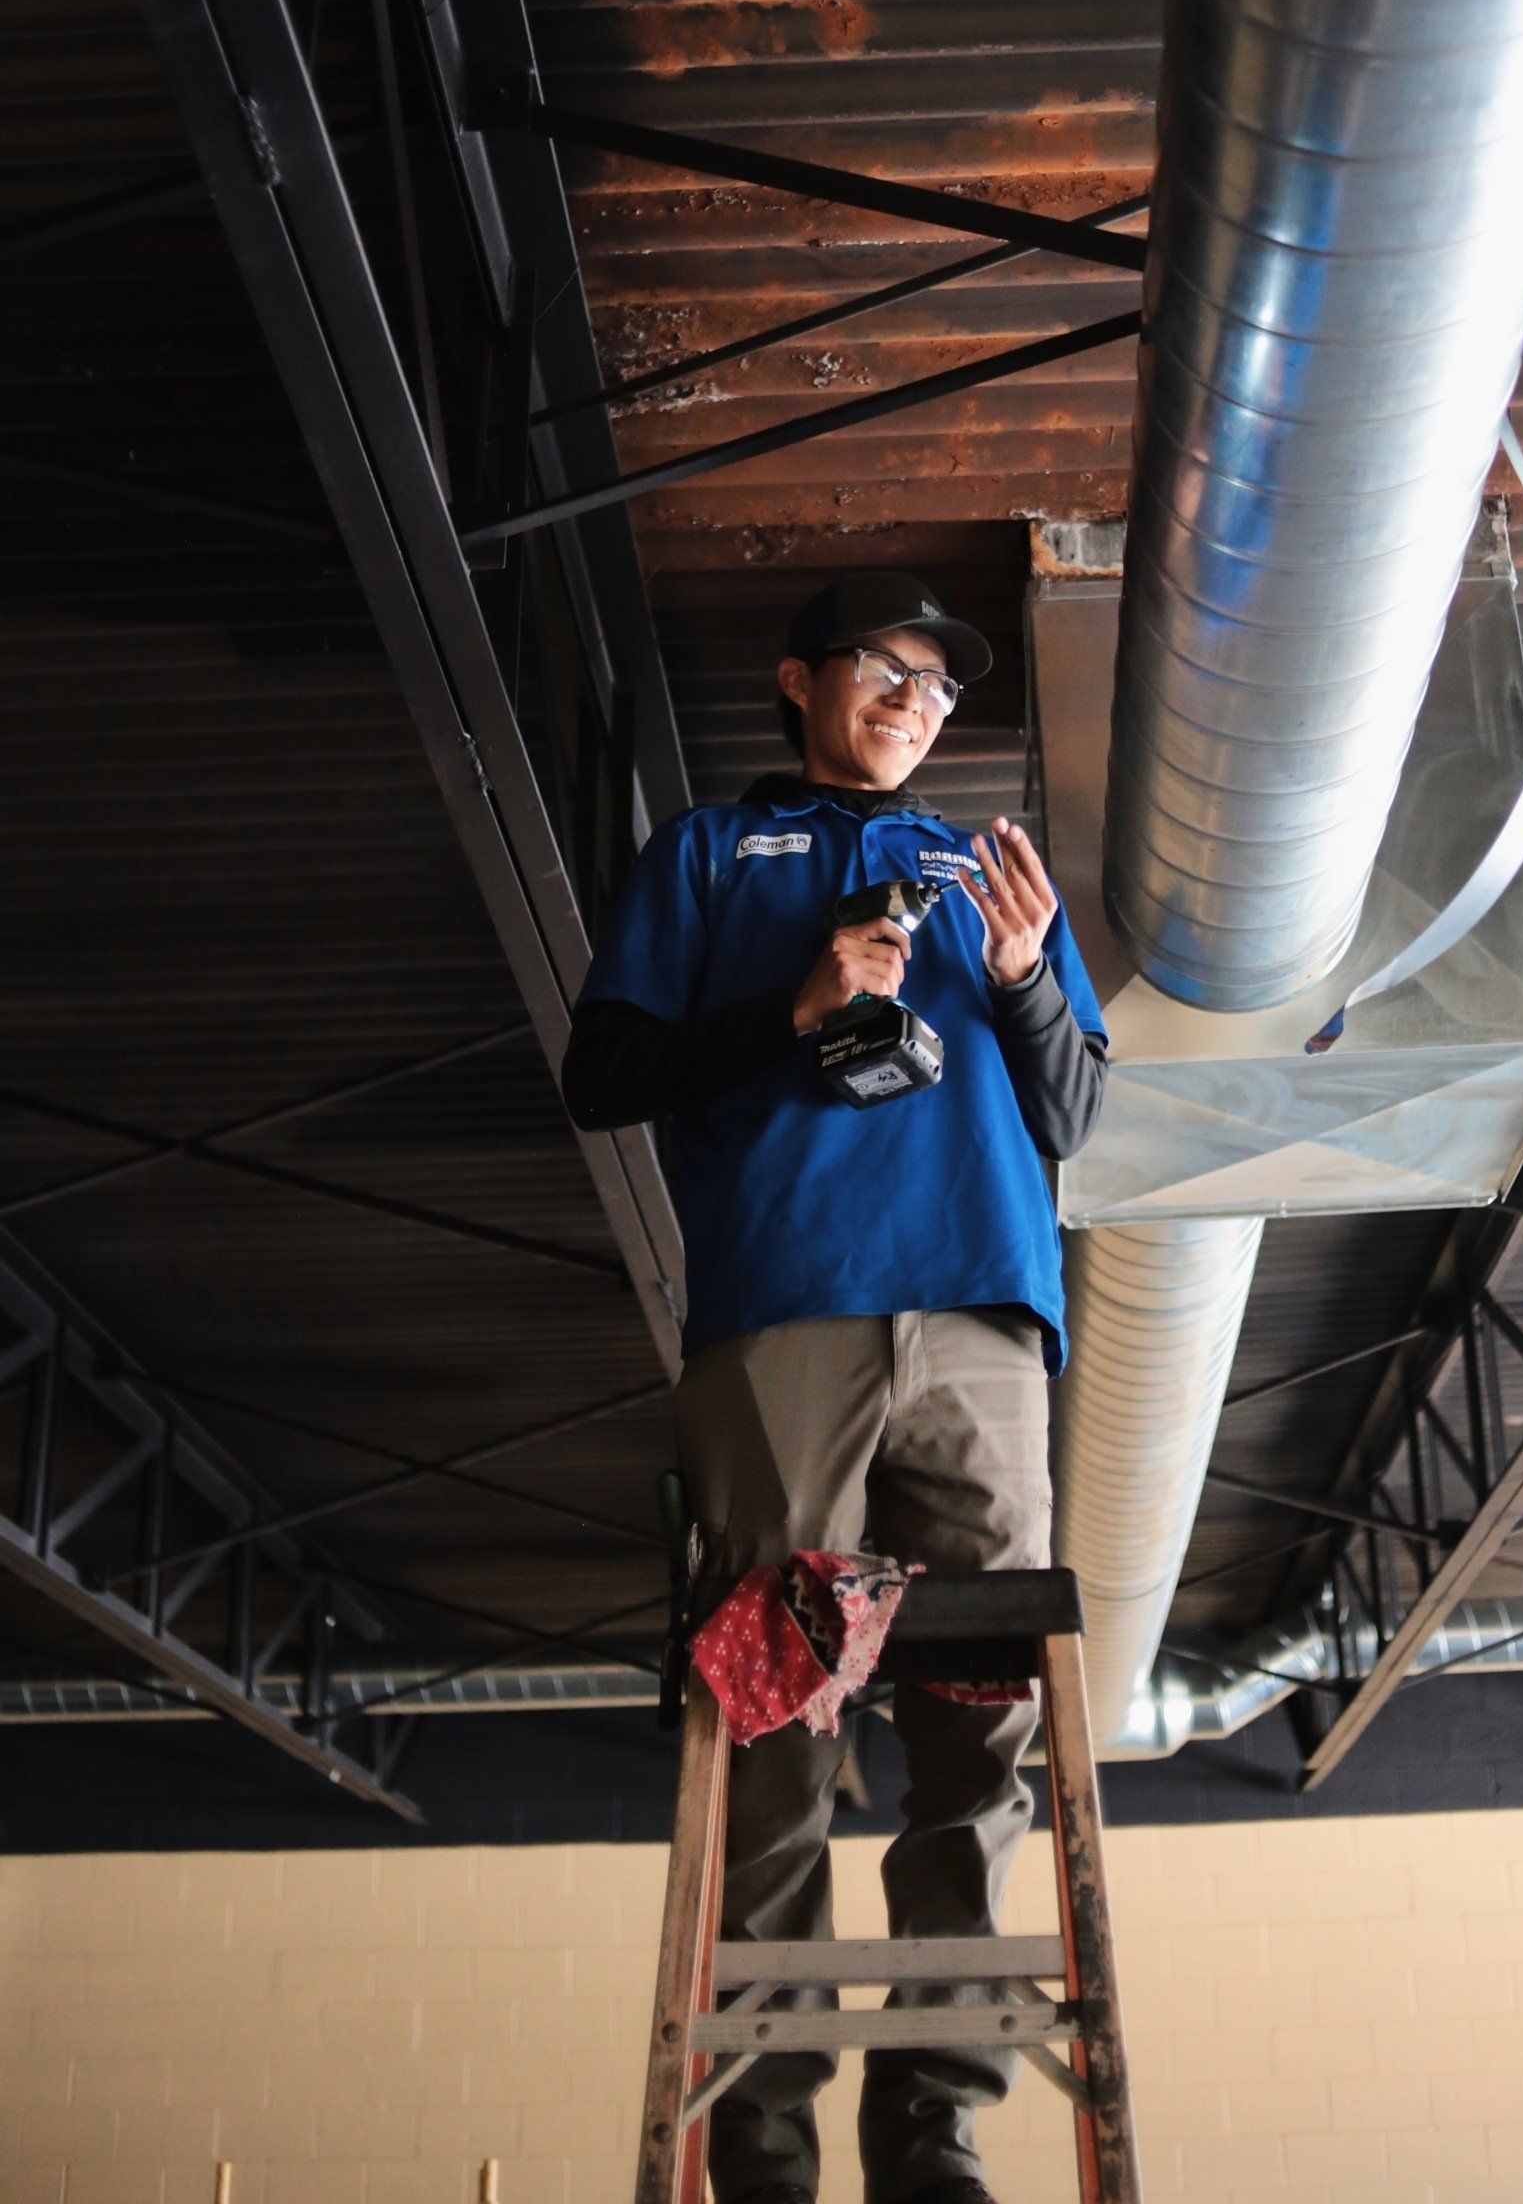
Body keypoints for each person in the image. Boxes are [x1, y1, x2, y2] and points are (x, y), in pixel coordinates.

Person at [562, 569, 1108, 2204]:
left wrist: (1024, 973)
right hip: (783, 1311)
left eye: (939, 687)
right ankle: (766, 2134)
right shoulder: (710, 855)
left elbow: (1077, 1114)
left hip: (984, 1315)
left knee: (983, 1722)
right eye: (886, 666)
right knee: (779, 1716)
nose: (916, 701)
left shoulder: (990, 878)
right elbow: (603, 1074)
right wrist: (795, 1011)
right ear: (801, 679)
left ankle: (935, 2123)